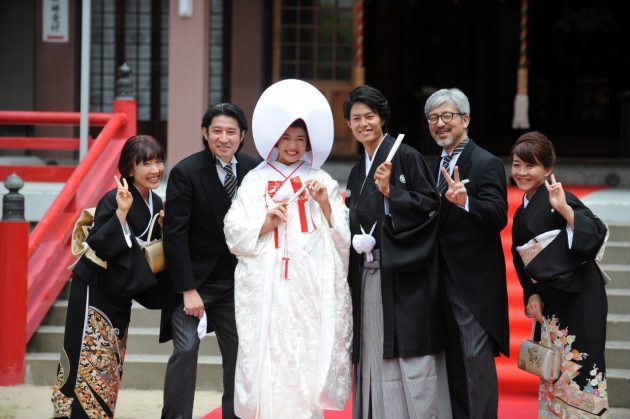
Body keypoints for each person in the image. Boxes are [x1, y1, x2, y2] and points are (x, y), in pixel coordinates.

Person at [223, 79, 352, 419]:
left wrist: (324, 203)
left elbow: (342, 234)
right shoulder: (256, 179)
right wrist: (266, 222)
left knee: (306, 351)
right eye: (287, 139)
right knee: (270, 351)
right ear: (276, 140)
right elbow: (234, 231)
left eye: (300, 140)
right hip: (269, 283)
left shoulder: (321, 179)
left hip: (307, 284)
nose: (293, 146)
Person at [343, 85, 448, 419]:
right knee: (374, 351)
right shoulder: (358, 169)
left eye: (369, 117)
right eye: (355, 118)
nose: (363, 124)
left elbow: (431, 206)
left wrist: (393, 193)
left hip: (405, 275)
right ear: (348, 124)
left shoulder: (406, 156)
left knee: (409, 355)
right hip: (371, 276)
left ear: (382, 118)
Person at [51, 135, 167, 418]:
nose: (155, 170)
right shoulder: (114, 198)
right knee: (86, 359)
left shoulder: (157, 201)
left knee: (110, 362)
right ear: (129, 169)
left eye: (158, 162)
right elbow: (99, 243)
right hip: (94, 288)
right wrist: (122, 214)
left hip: (119, 292)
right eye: (146, 164)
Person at [160, 103, 259, 419]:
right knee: (186, 349)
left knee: (240, 353)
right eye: (217, 130)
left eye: (231, 131)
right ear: (205, 133)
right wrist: (188, 289)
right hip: (194, 282)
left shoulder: (254, 170)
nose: (224, 137)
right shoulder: (185, 172)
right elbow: (174, 235)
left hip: (236, 283)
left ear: (242, 135)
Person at [510, 131, 609, 417]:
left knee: (582, 372)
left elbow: (595, 236)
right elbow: (521, 263)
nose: (522, 172)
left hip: (580, 296)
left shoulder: (559, 198)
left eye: (530, 165)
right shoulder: (521, 213)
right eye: (517, 165)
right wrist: (532, 293)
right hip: (552, 300)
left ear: (547, 169)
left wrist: (565, 210)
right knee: (554, 374)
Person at [425, 88, 509, 419]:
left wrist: (466, 202)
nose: (440, 124)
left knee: (475, 360)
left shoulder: (485, 162)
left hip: (472, 282)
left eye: (447, 116)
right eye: (433, 118)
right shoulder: (432, 166)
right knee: (452, 362)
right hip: (436, 277)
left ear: (466, 119)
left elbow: (498, 215)